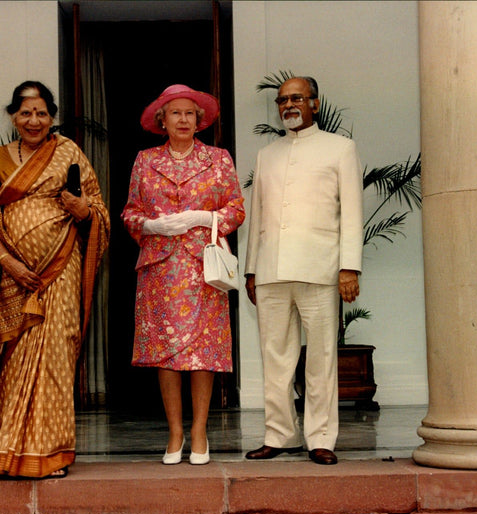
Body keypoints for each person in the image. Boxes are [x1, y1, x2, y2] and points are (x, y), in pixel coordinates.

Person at [0, 81, 110, 479]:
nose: (34, 121)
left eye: (42, 113)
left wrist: (82, 209)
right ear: (13, 116)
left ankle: (51, 452)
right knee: (16, 362)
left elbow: (99, 210)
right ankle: (12, 451)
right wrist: (8, 262)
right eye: (25, 113)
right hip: (12, 276)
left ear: (52, 117)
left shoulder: (68, 152)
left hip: (61, 270)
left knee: (55, 355)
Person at [121, 84, 245, 466]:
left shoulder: (218, 159)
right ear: (162, 120)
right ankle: (175, 431)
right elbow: (129, 213)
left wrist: (205, 218)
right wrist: (153, 227)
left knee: (202, 352)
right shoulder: (145, 160)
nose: (184, 120)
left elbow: (236, 208)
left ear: (200, 120)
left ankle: (200, 430)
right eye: (175, 113)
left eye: (190, 113)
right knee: (166, 353)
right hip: (160, 269)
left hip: (202, 267)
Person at [243, 76, 363, 465]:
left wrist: (349, 268)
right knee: (275, 357)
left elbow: (352, 213)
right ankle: (280, 434)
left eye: (296, 98)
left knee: (321, 357)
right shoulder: (268, 154)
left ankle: (321, 437)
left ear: (314, 101)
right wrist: (250, 270)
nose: (288, 105)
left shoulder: (340, 148)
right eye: (282, 100)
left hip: (321, 269)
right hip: (271, 271)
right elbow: (258, 215)